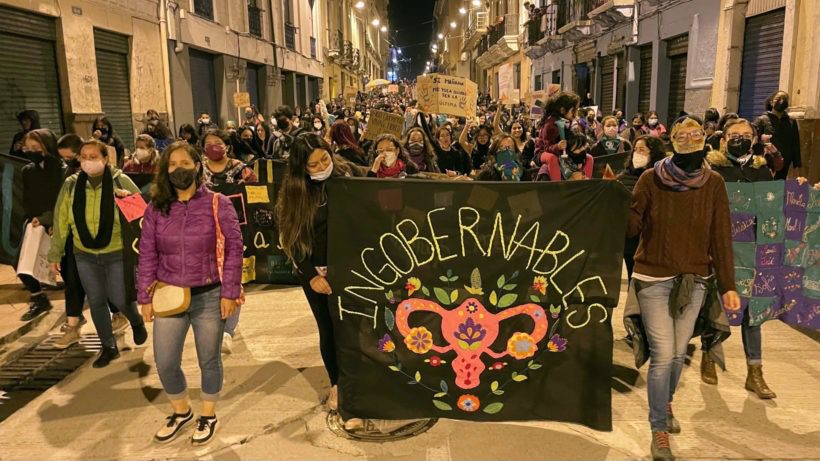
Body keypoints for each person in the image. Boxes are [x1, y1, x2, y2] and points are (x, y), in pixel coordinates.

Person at [628, 115, 740, 461]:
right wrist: (618, 196)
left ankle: (666, 401)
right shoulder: (650, 179)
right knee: (663, 354)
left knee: (678, 353)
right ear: (673, 145)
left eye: (696, 141)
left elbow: (720, 236)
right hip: (653, 279)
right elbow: (631, 228)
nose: (690, 148)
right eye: (683, 142)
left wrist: (728, 285)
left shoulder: (714, 183)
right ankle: (659, 428)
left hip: (695, 281)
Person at [138, 141, 242, 445]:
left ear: (197, 167)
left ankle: (208, 415)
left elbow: (234, 250)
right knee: (165, 361)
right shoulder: (156, 208)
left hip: (210, 295)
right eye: (172, 164)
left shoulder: (218, 203)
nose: (178, 169)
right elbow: (147, 254)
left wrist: (229, 293)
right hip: (169, 294)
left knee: (208, 359)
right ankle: (181, 411)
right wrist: (144, 297)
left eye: (185, 163)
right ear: (164, 170)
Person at [274, 133, 360, 414]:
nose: (323, 166)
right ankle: (337, 384)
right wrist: (311, 275)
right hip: (318, 274)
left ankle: (361, 381)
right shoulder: (295, 192)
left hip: (353, 267)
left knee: (357, 328)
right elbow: (291, 238)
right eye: (314, 164)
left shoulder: (348, 172)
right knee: (329, 328)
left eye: (325, 158)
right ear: (302, 167)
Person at [48, 139, 147, 368]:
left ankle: (135, 320)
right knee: (96, 300)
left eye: (93, 157)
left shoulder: (120, 181)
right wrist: (55, 254)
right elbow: (61, 221)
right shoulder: (71, 185)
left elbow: (142, 216)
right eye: (84, 157)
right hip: (84, 252)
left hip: (116, 251)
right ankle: (108, 347)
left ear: (105, 158)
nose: (88, 161)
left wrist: (126, 201)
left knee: (120, 297)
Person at [701, 118, 776, 399]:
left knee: (752, 313)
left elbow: (773, 205)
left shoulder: (761, 170)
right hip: (720, 248)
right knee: (716, 305)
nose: (740, 138)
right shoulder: (712, 169)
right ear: (723, 139)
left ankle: (755, 372)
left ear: (754, 139)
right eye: (734, 134)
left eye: (746, 134)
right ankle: (709, 356)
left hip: (753, 250)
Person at [17, 129, 65, 321]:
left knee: (68, 269)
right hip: (36, 223)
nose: (31, 151)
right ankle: (38, 298)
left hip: (60, 222)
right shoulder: (28, 171)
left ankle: (75, 310)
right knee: (24, 266)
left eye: (36, 147)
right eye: (27, 148)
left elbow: (62, 198)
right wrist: (33, 219)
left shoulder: (62, 170)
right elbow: (27, 199)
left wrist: (50, 219)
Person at [616, 136, 667, 282]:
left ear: (654, 153)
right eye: (635, 150)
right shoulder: (623, 177)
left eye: (642, 150)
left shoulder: (663, 177)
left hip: (653, 237)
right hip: (629, 238)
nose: (637, 154)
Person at [754, 90, 802, 179]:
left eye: (785, 99)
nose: (781, 101)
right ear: (771, 102)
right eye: (778, 98)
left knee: (779, 186)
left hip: (784, 165)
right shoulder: (762, 120)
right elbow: (753, 140)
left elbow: (795, 144)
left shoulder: (791, 122)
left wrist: (797, 166)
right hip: (765, 164)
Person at [535, 91, 580, 163]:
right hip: (543, 153)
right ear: (562, 110)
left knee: (588, 157)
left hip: (560, 153)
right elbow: (547, 147)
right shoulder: (550, 124)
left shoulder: (569, 121)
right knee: (552, 158)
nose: (576, 113)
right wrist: (558, 146)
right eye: (574, 110)